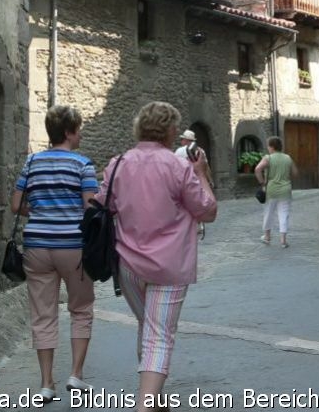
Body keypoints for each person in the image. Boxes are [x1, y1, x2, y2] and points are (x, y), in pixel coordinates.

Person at [96, 102, 217, 411]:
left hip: (128, 265)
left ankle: (156, 401)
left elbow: (101, 203)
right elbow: (207, 210)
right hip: (168, 266)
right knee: (159, 335)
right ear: (171, 130)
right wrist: (201, 173)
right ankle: (145, 405)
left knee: (148, 327)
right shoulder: (178, 167)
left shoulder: (118, 163)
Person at [11, 105, 98, 403]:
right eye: (79, 128)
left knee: (43, 314)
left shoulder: (31, 163)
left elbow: (15, 205)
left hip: (36, 246)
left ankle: (47, 383)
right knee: (81, 309)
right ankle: (75, 374)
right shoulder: (83, 165)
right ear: (70, 132)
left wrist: (39, 210)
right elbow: (91, 208)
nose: (81, 133)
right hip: (73, 246)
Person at [254, 136, 297, 248]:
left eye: (268, 146)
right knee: (284, 214)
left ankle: (267, 237)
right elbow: (295, 173)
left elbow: (257, 169)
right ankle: (283, 240)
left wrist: (262, 182)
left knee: (268, 213)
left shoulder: (268, 158)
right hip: (286, 190)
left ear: (272, 147)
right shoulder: (288, 158)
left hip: (271, 190)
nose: (268, 148)